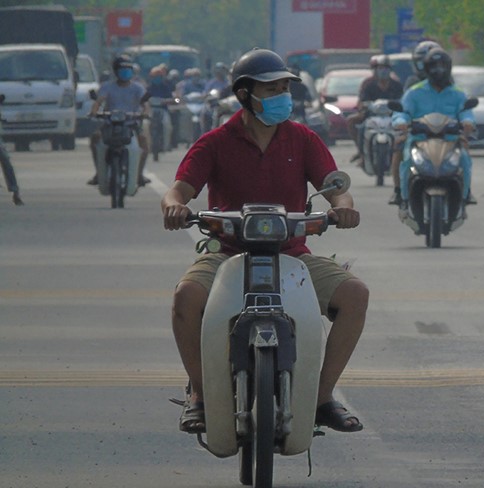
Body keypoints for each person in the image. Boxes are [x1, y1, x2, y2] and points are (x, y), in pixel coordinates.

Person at [160, 47, 368, 434]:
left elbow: (335, 187)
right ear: (244, 95)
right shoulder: (214, 142)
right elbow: (178, 191)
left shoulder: (303, 139)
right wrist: (173, 207)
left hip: (292, 254)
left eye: (285, 88)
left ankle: (322, 398)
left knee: (355, 295)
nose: (282, 96)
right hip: (226, 254)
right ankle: (200, 396)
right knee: (185, 298)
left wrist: (343, 207)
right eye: (272, 89)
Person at [391, 48, 476, 206]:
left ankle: (465, 195)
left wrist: (468, 122)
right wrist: (400, 122)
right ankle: (402, 197)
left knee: (464, 157)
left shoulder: (458, 93)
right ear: (426, 68)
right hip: (419, 139)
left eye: (442, 66)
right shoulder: (414, 92)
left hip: (450, 139)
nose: (439, 70)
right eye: (434, 66)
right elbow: (402, 112)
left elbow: (466, 112)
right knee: (407, 159)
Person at [88, 54, 150, 187]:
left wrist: (144, 114)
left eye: (128, 69)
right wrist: (94, 112)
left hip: (132, 124)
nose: (125, 72)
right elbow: (98, 102)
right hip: (110, 123)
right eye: (122, 69)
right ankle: (99, 173)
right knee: (95, 138)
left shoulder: (137, 88)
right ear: (116, 71)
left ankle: (139, 174)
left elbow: (145, 105)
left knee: (143, 142)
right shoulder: (107, 87)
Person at [347, 55, 404, 164]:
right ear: (375, 70)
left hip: (392, 116)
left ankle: (399, 154)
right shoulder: (368, 84)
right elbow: (361, 101)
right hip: (370, 115)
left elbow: (402, 101)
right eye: (381, 68)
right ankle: (362, 152)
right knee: (354, 123)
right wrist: (363, 107)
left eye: (386, 68)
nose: (383, 71)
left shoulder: (397, 85)